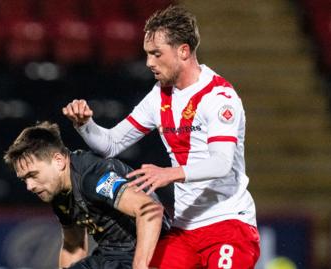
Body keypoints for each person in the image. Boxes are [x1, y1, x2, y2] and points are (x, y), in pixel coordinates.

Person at [62, 5, 260, 269]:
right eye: (147, 54)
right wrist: (85, 125)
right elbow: (111, 144)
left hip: (229, 224)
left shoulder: (219, 98)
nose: (149, 63)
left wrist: (169, 173)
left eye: (156, 54)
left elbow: (221, 164)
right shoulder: (159, 96)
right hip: (185, 229)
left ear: (183, 51)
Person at [3, 121, 170, 269]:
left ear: (59, 161)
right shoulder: (57, 192)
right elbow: (73, 245)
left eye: (33, 175)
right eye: (24, 179)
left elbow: (150, 209)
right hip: (110, 257)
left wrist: (140, 265)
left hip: (148, 252)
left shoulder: (93, 178)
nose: (29, 186)